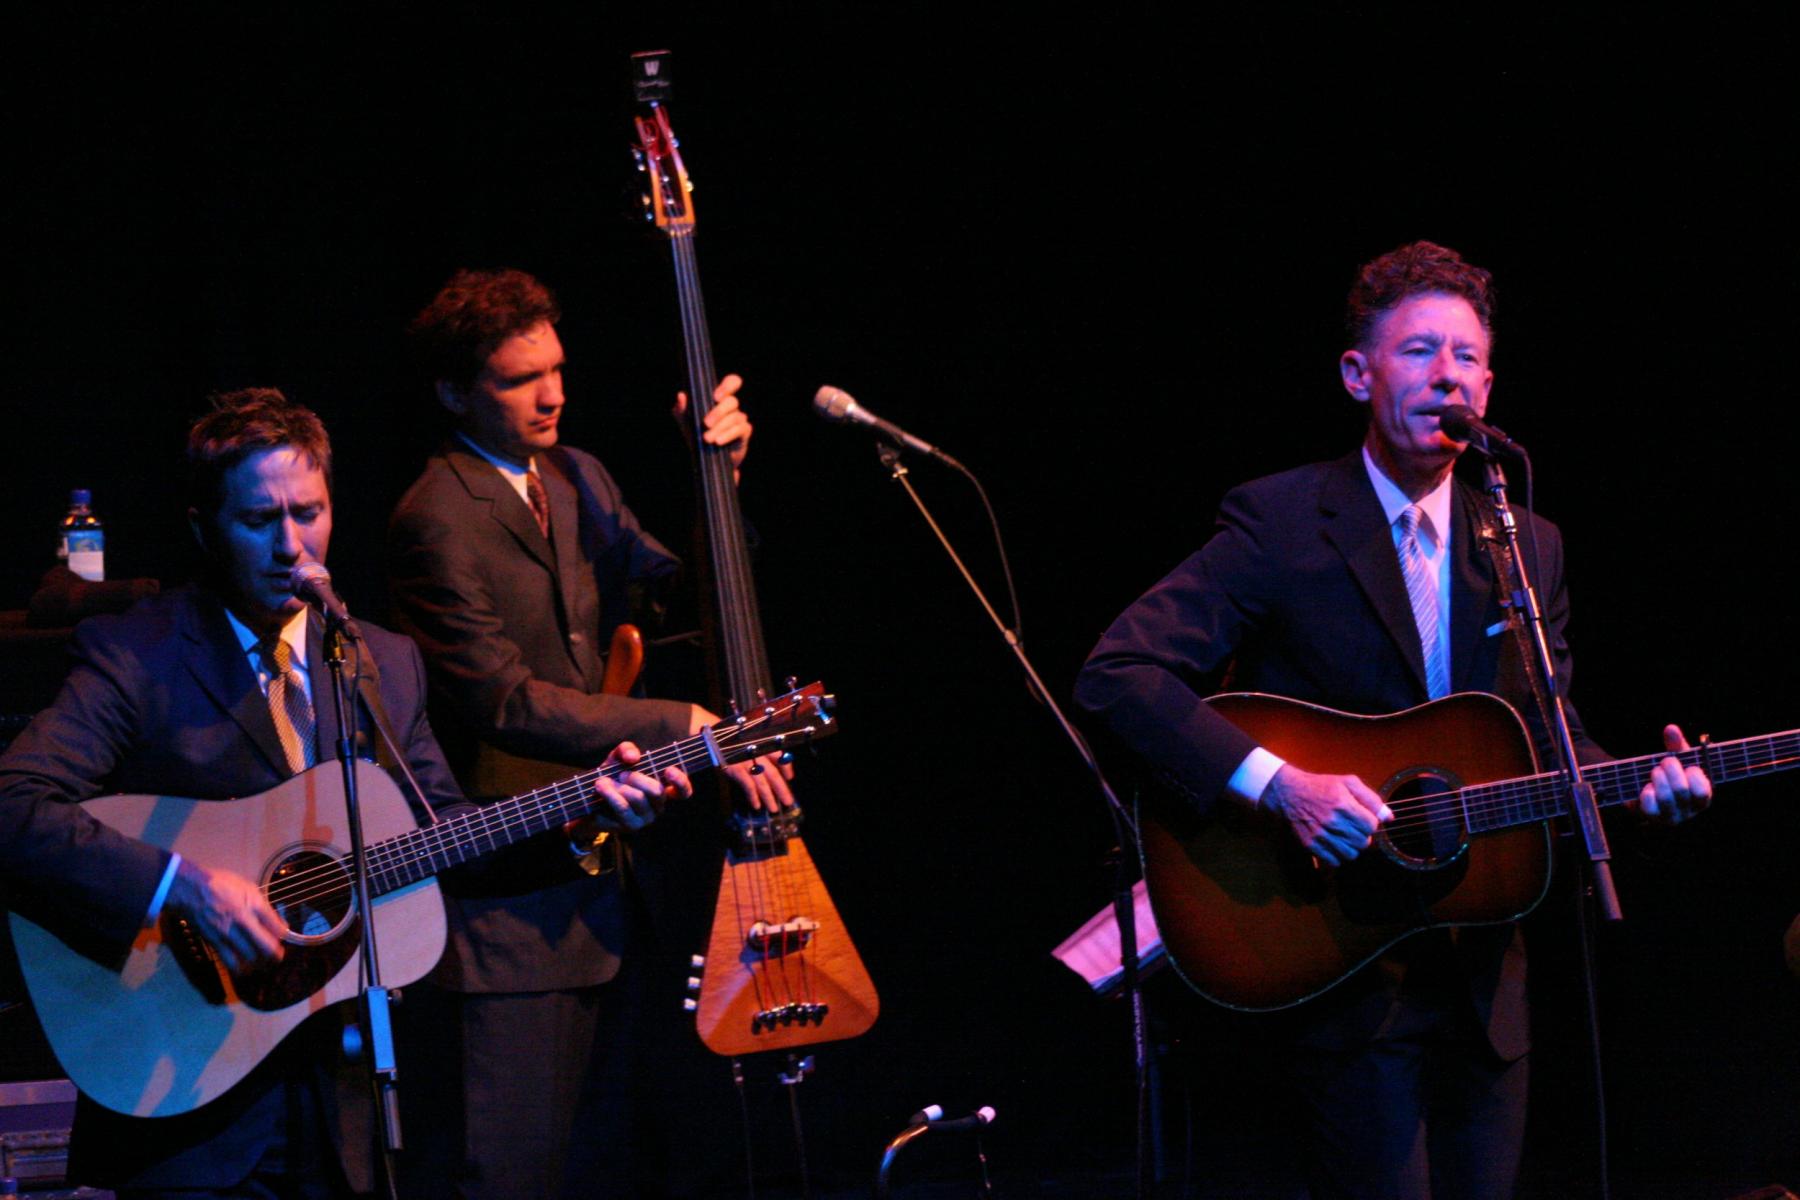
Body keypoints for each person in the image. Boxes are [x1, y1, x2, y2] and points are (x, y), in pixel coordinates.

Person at [1074, 241, 1712, 1199]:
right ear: (1357, 373)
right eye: (1418, 352)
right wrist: (1280, 785)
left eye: (1465, 357)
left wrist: (1637, 786)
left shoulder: (1525, 541)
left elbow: (1549, 736)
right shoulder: (1283, 521)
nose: (1445, 376)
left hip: (1485, 974)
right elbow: (1118, 673)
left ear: (1489, 387)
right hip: (1337, 963)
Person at [0, 389, 682, 1198]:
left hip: (342, 1108)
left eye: (310, 512)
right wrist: (181, 886)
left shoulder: (379, 662)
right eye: (260, 520)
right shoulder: (137, 654)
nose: (292, 544)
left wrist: (582, 820)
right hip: (181, 1094)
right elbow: (15, 801)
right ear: (203, 525)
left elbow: (444, 838)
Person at [387, 267, 792, 1198]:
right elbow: (504, 701)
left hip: (612, 886)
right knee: (511, 1171)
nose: (553, 393)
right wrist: (680, 723)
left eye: (557, 368)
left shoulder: (576, 477)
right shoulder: (435, 517)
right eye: (519, 378)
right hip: (509, 906)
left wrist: (717, 485)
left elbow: (682, 599)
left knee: (611, 1165)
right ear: (455, 392)